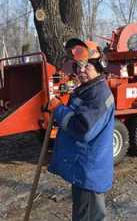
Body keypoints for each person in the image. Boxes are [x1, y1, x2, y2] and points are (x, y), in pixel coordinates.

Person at [48, 38, 115, 221]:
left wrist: (57, 110)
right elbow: (73, 114)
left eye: (87, 67)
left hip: (90, 175)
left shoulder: (99, 95)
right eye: (79, 66)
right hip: (83, 170)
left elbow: (82, 129)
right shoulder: (86, 89)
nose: (81, 71)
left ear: (99, 66)